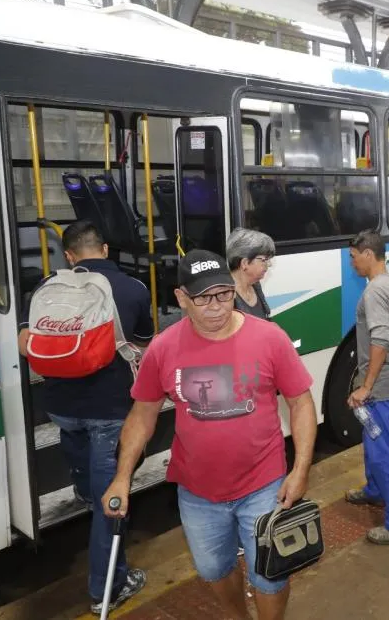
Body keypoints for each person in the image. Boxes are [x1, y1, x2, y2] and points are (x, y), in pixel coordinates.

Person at [103, 249, 318, 620]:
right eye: (203, 298)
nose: (216, 306)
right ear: (181, 298)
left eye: (224, 294)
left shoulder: (270, 338)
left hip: (264, 486)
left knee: (270, 576)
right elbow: (142, 415)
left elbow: (301, 403)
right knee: (214, 570)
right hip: (197, 492)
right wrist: (122, 477)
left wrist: (300, 470)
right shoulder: (163, 348)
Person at [17, 220, 152, 615]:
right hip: (110, 408)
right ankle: (108, 589)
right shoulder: (133, 288)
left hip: (59, 405)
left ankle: (84, 489)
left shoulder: (46, 287)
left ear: (69, 256)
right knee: (111, 500)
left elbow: (26, 344)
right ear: (105, 249)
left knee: (75, 444)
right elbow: (144, 343)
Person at [344, 230, 389, 544]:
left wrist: (366, 386)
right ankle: (375, 490)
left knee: (386, 455)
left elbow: (380, 341)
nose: (351, 263)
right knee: (376, 443)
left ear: (368, 254)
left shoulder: (375, 291)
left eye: (353, 257)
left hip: (382, 388)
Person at [227, 227, 274, 319]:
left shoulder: (256, 285)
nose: (269, 264)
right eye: (264, 260)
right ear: (244, 263)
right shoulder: (225, 295)